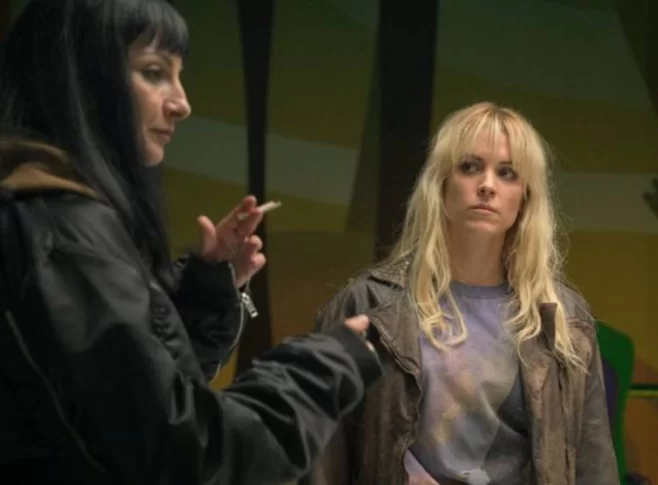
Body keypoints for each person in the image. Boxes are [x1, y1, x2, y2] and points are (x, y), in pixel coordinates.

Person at [0, 1, 380, 484]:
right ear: (80, 77)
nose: (182, 103)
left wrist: (204, 292)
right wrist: (324, 365)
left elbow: (124, 403)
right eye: (153, 72)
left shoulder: (49, 217)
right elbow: (186, 455)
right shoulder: (66, 231)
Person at [304, 102, 619, 485]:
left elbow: (593, 464)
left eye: (507, 173)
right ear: (441, 184)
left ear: (525, 197)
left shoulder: (563, 318)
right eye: (469, 167)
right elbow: (322, 462)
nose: (487, 185)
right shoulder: (367, 306)